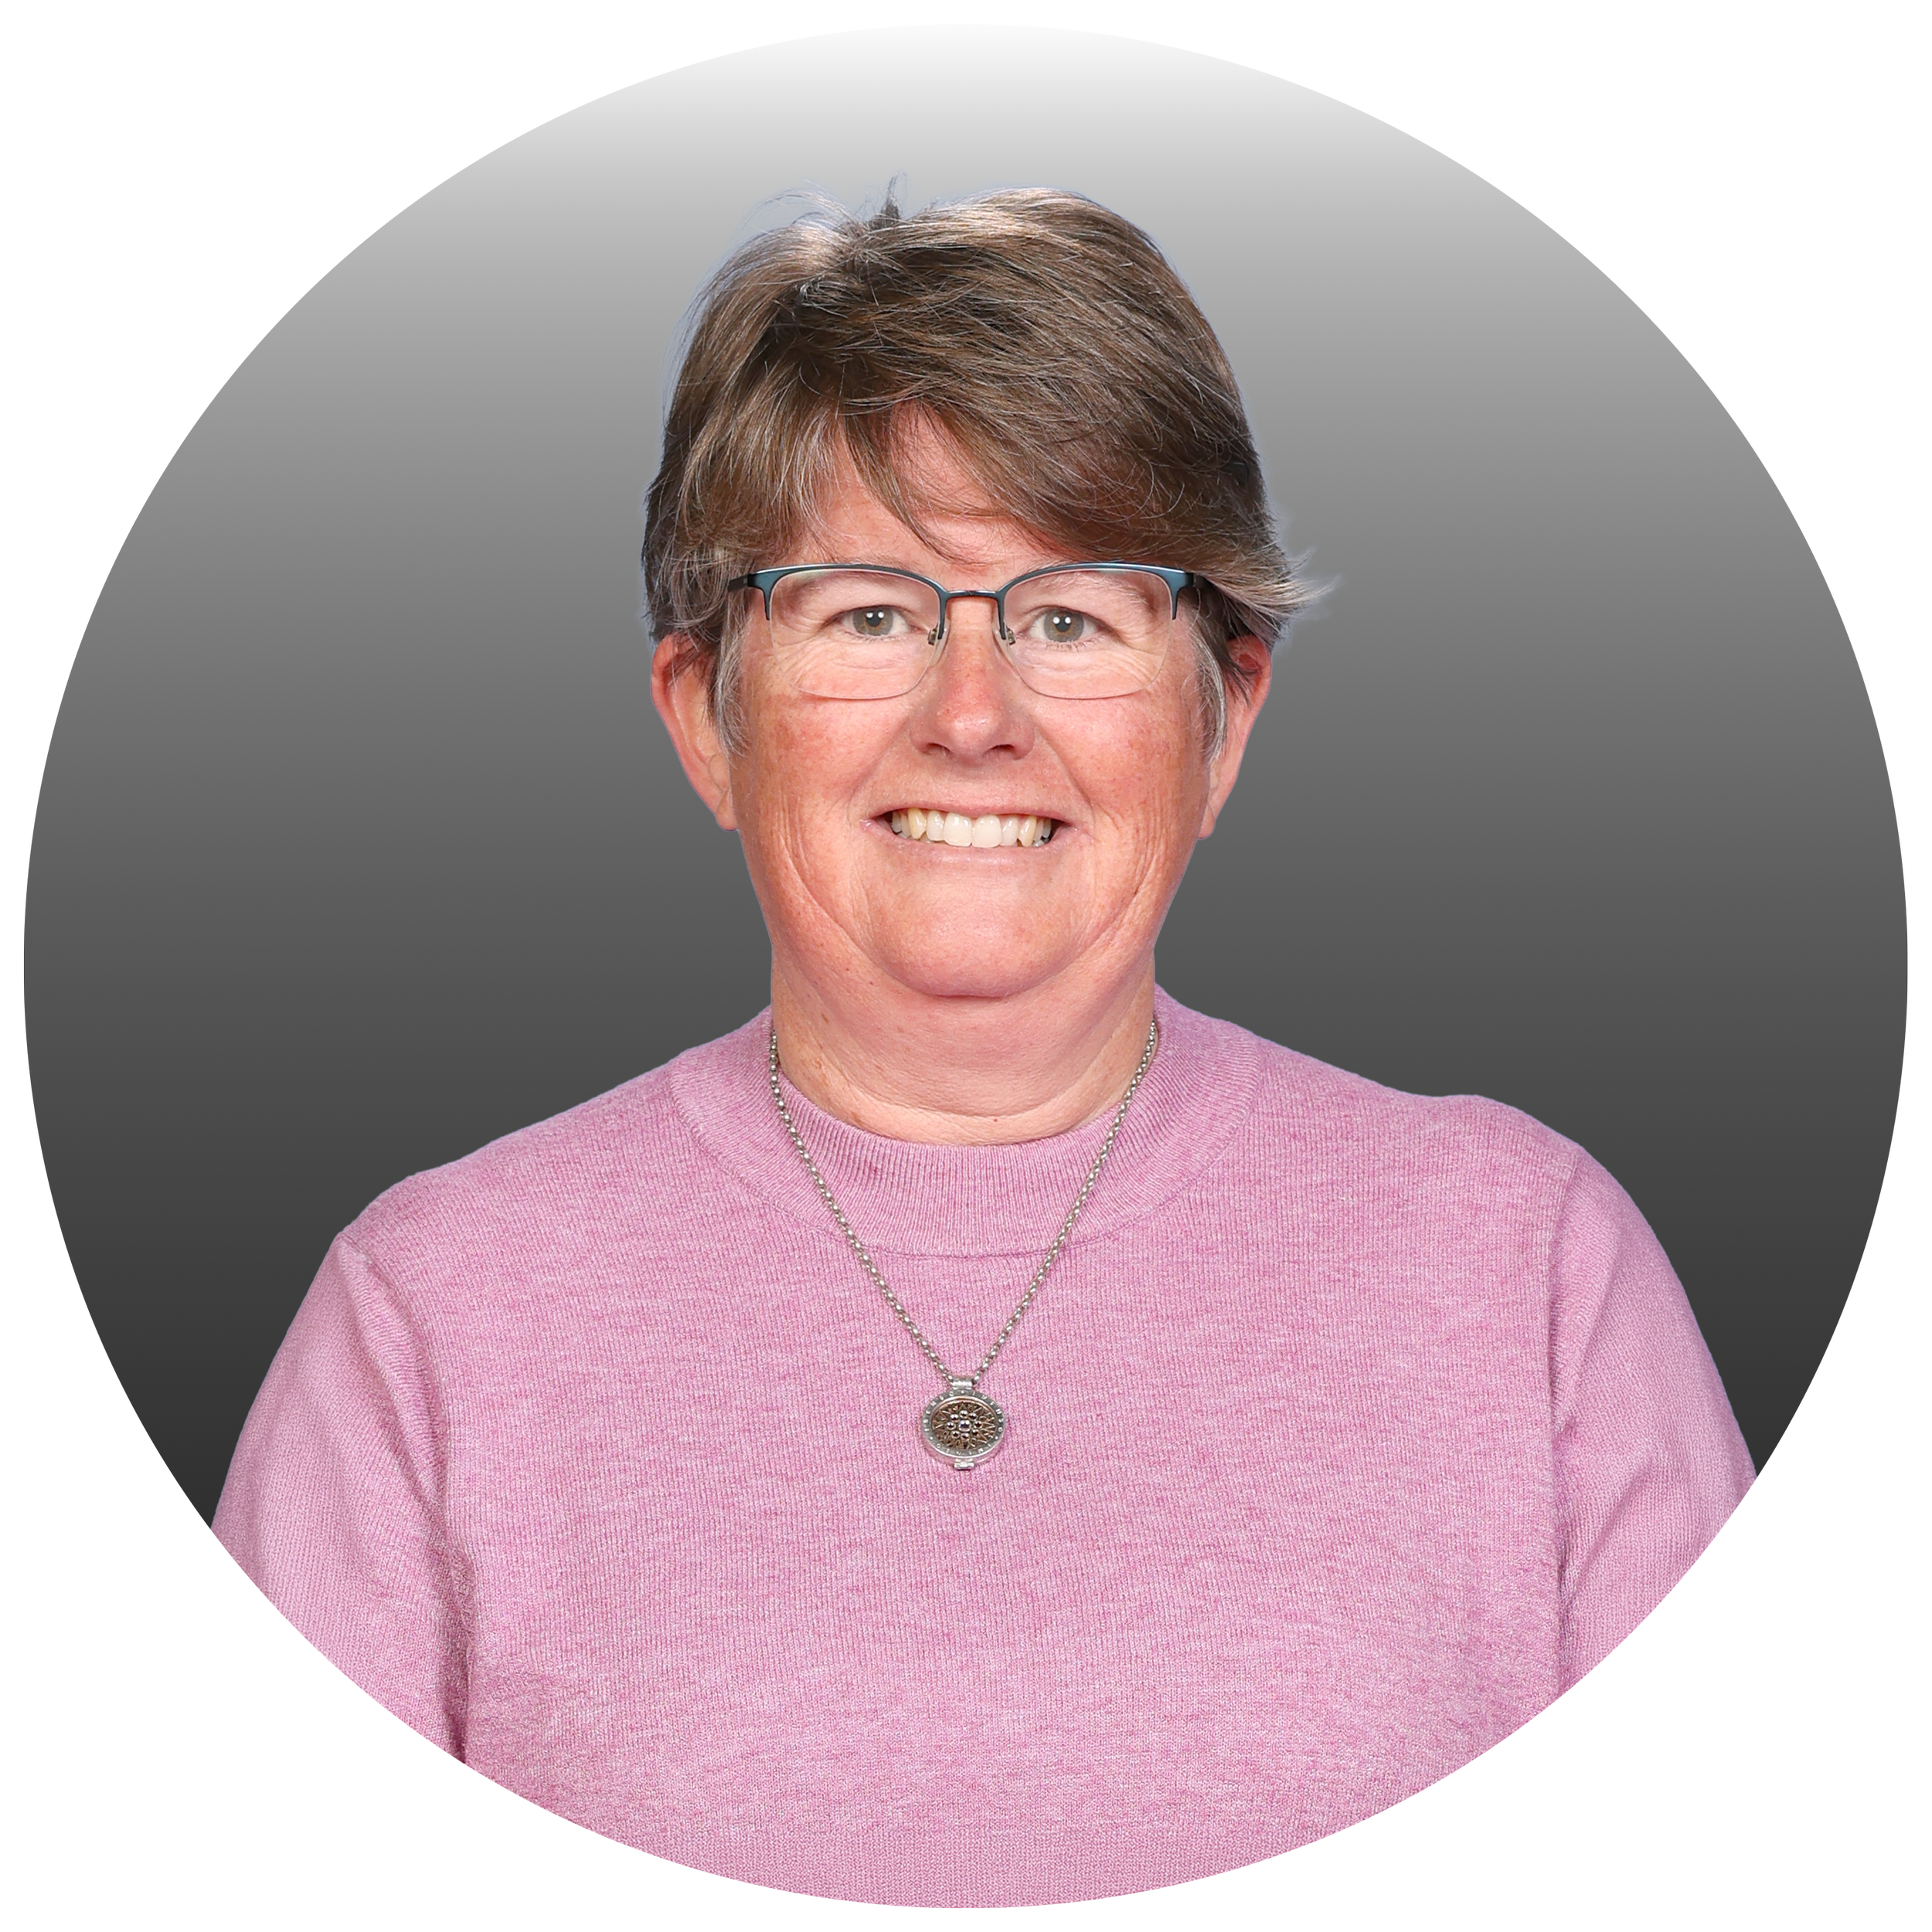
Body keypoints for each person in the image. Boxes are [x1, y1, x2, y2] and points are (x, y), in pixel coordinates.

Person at [213, 188, 1753, 1910]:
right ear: (703, 717)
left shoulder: (1530, 1273)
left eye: (1072, 614)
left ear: (1223, 717)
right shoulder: (425, 1321)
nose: (971, 711)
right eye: (866, 611)